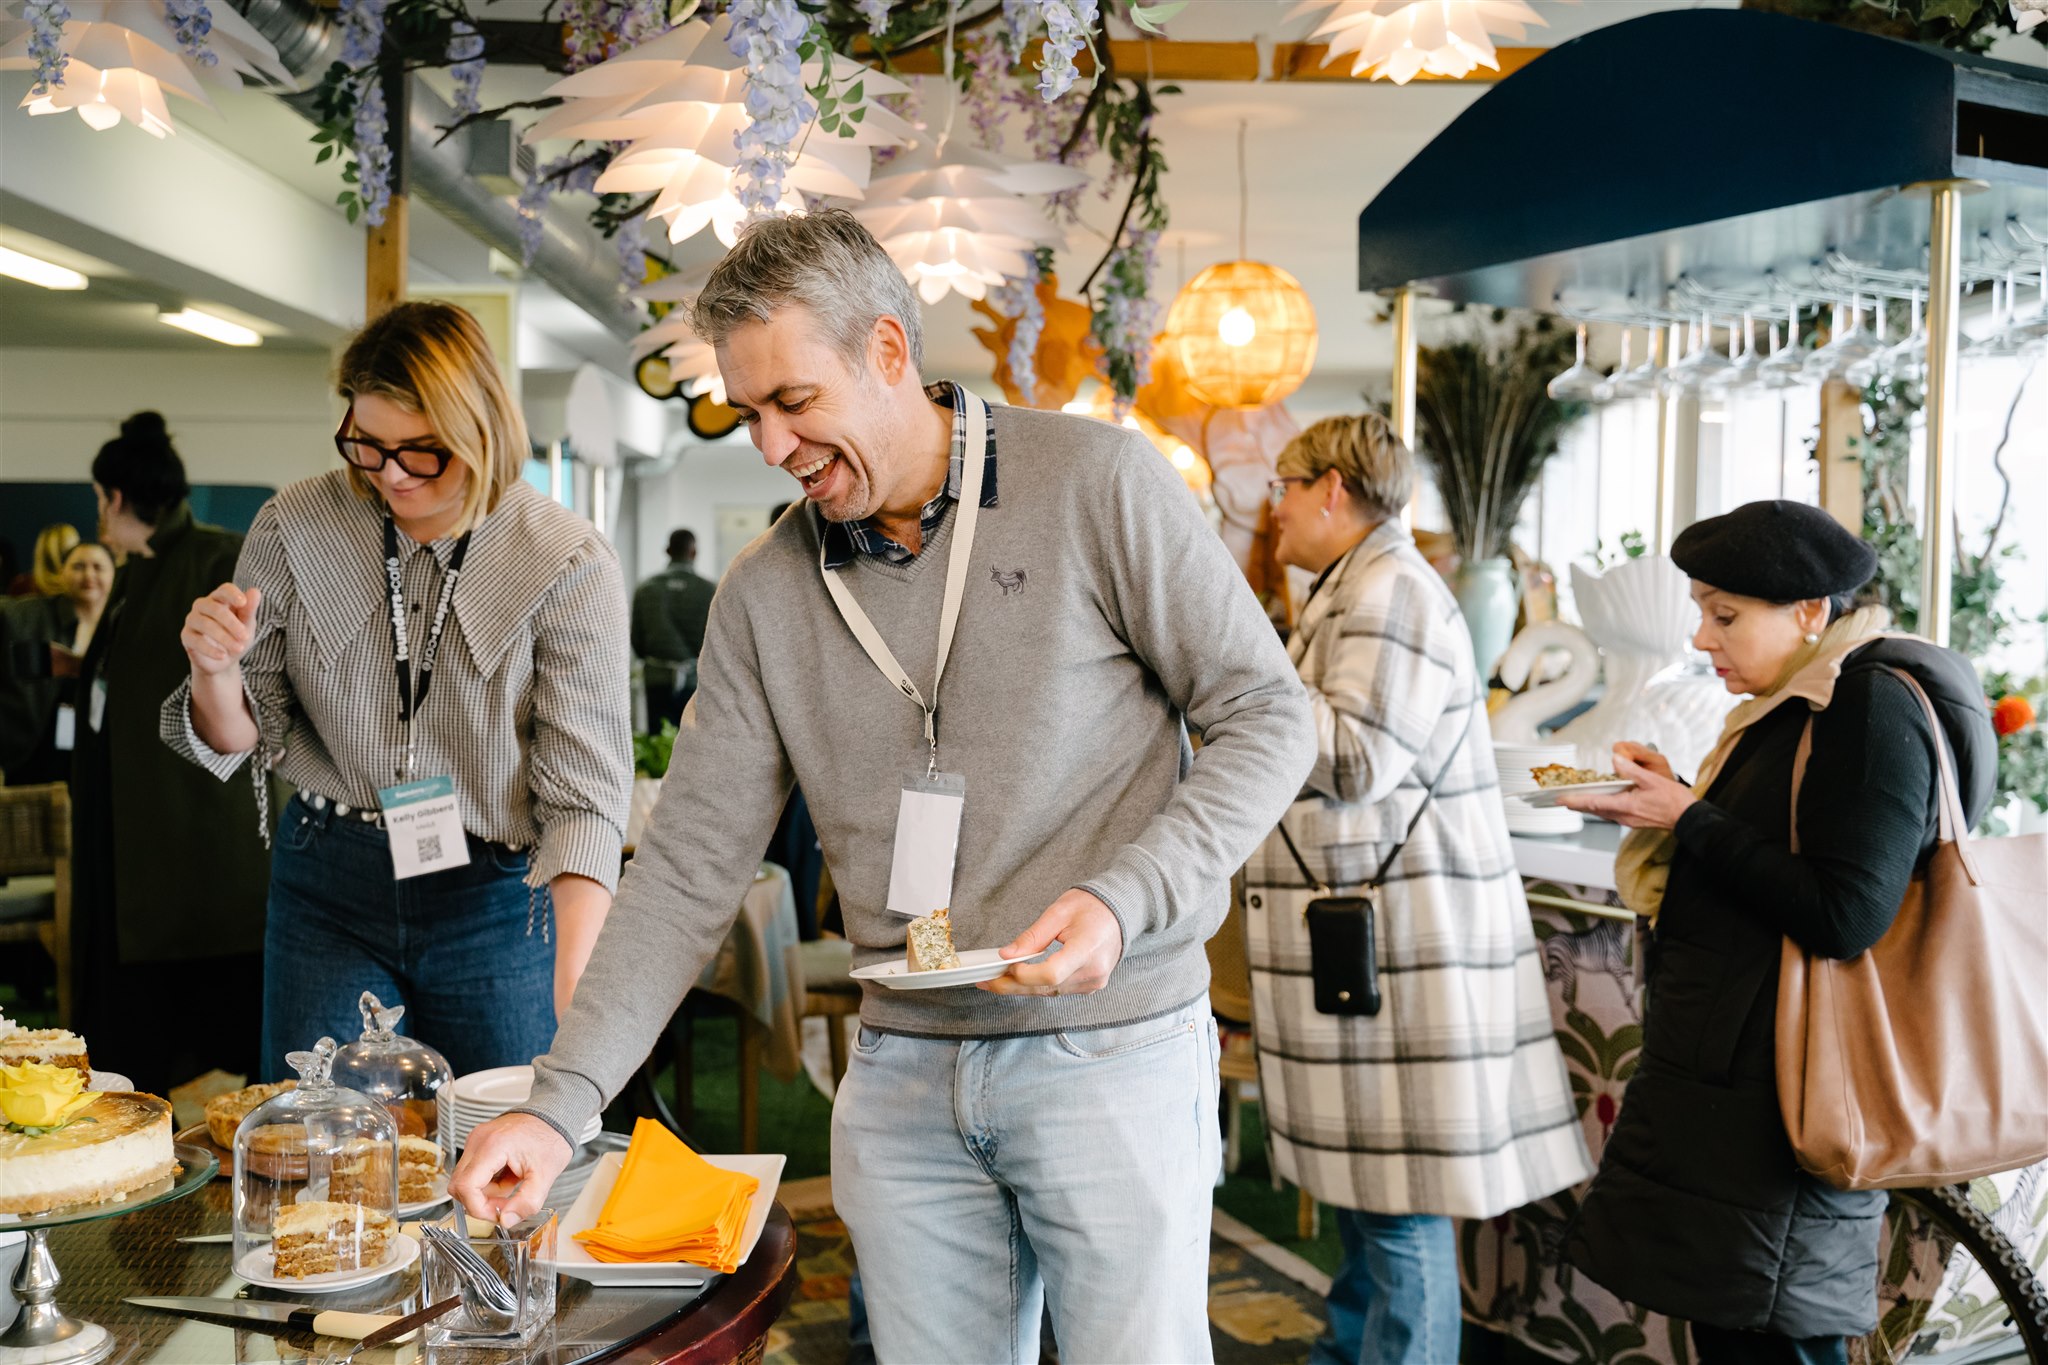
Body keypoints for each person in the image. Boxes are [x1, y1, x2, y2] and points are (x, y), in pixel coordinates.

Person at [452, 210, 1314, 1362]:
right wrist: (559, 1105)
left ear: (890, 352)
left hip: (1107, 1051)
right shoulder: (763, 591)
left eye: (793, 401)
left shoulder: (1095, 483)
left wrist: (1124, 899)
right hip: (903, 1069)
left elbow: (1268, 716)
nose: (771, 445)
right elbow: (688, 867)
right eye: (747, 413)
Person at [1560, 500, 1996, 1365]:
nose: (1703, 638)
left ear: (1809, 612)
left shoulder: (1866, 704)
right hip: (1746, 1097)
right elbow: (1781, 847)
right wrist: (1680, 799)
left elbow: (1845, 913)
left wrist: (1687, 815)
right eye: (1701, 612)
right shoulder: (1801, 701)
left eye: (1725, 616)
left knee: (1776, 1340)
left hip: (1791, 1103)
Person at [165, 301, 633, 1080]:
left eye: (423, 452)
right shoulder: (295, 525)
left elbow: (584, 797)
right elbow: (246, 730)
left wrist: (580, 978)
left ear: (481, 429)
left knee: (505, 1130)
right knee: (319, 1133)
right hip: (331, 880)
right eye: (367, 444)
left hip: (495, 896)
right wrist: (214, 671)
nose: (390, 474)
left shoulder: (564, 560)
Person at [1249, 415, 1594, 1365]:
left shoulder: (1390, 590)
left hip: (1399, 951)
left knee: (1396, 1211)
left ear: (1332, 488)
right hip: (1375, 945)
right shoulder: (1356, 586)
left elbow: (1358, 757)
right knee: (1370, 1203)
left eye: (1284, 487)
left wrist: (1244, 684)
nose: (1275, 510)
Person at [68, 413, 268, 1092]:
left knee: (213, 1043)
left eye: (100, 499)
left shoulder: (217, 560)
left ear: (118, 497)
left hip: (198, 868)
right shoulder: (138, 573)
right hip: (134, 853)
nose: (99, 515)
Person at [0, 541, 113, 786]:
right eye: (78, 566)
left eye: (98, 567)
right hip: (37, 751)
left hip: (98, 752)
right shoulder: (33, 615)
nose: (89, 575)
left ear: (114, 575)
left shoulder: (121, 625)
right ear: (62, 573)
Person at [629, 528, 715, 730]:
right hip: (696, 681)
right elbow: (715, 641)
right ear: (694, 553)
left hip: (656, 679)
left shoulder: (646, 588)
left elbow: (636, 640)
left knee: (659, 740)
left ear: (667, 551)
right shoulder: (709, 590)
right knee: (692, 740)